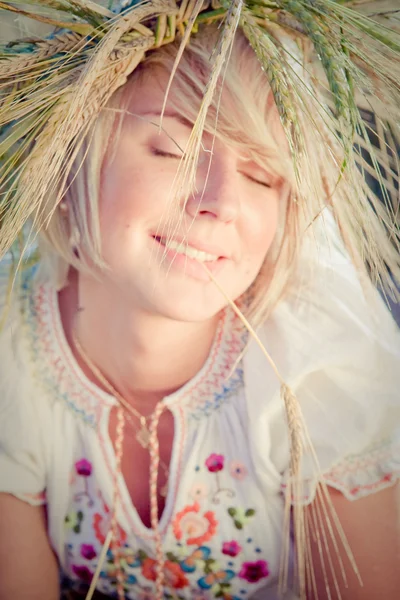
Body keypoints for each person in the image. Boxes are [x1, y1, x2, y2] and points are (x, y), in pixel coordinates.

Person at [0, 2, 399, 600]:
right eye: (174, 150)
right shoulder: (13, 341)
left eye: (263, 174)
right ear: (74, 160)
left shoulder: (312, 357)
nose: (221, 201)